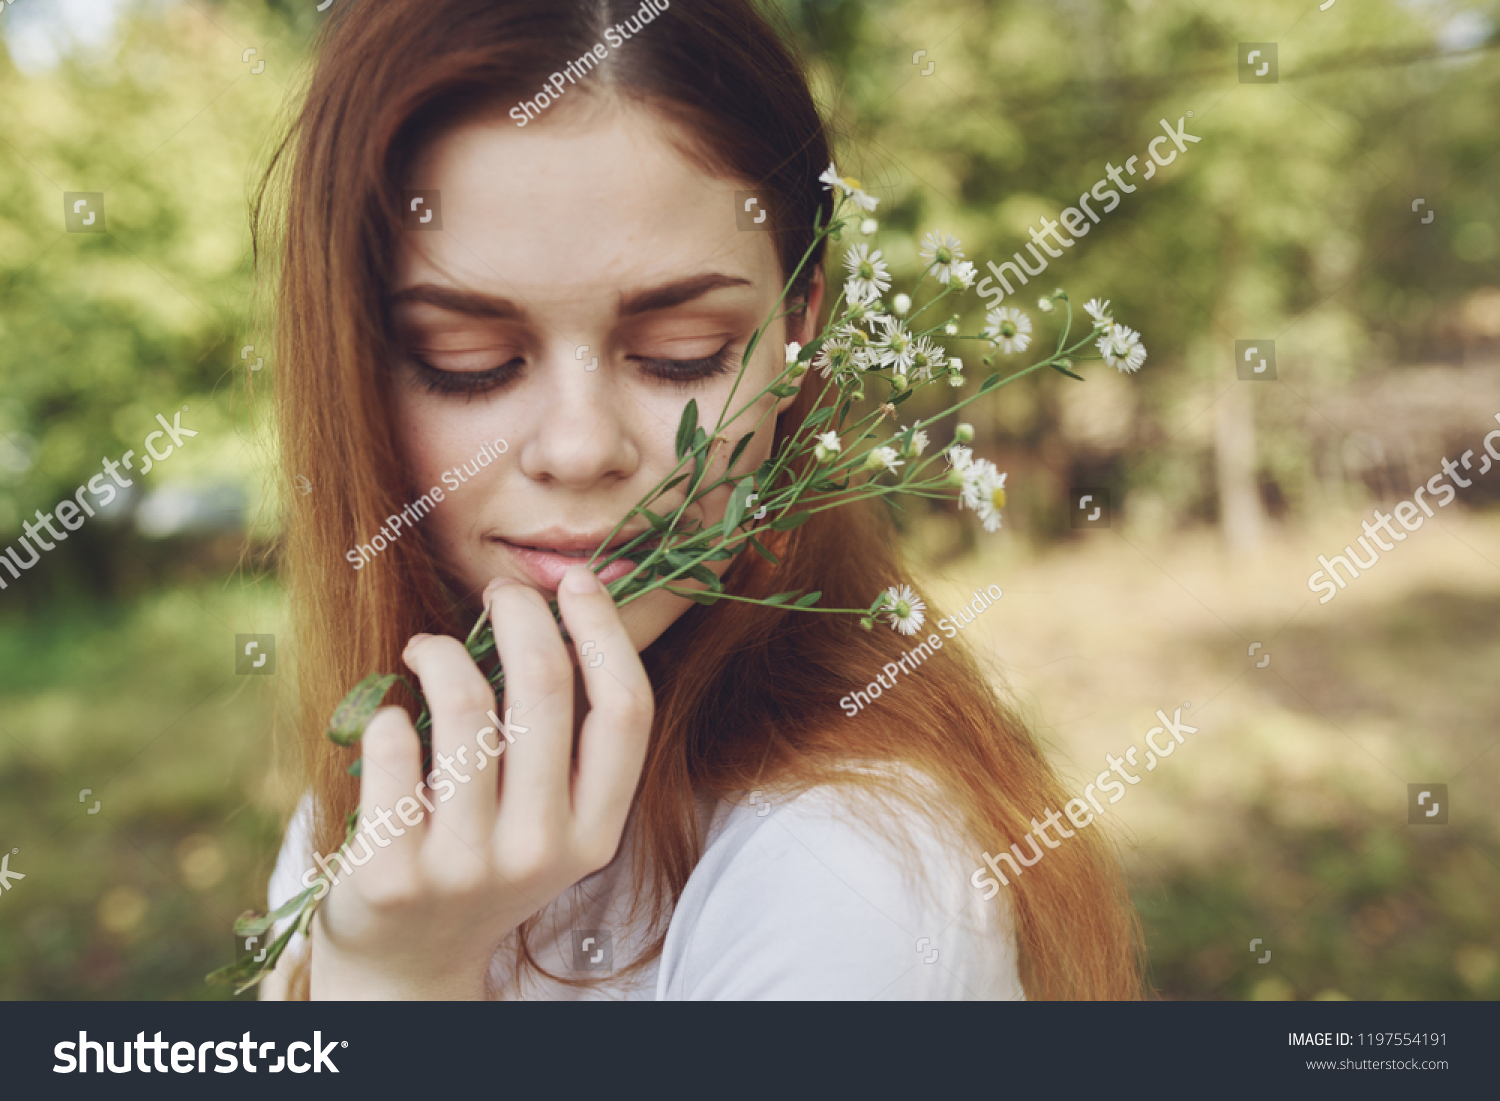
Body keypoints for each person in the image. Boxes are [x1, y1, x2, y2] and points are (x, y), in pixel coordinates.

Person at [253, 0, 1143, 1000]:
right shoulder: (397, 772)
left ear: (801, 330)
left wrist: (397, 985)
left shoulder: (846, 880)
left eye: (683, 353)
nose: (583, 447)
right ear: (352, 370)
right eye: (470, 361)